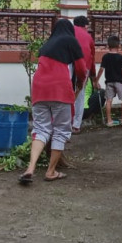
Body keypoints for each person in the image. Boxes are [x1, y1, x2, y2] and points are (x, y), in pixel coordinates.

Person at [19, 19, 87, 184]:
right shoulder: (70, 40)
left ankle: (30, 168)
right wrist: (80, 83)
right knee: (61, 131)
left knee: (40, 129)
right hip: (59, 89)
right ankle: (50, 171)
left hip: (39, 89)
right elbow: (81, 68)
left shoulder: (46, 45)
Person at [71, 15, 97, 134]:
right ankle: (76, 125)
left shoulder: (69, 32)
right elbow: (92, 57)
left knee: (66, 94)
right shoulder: (88, 37)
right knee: (80, 96)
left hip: (68, 65)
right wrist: (93, 75)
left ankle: (64, 124)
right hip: (84, 67)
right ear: (86, 26)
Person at [97, 35, 122, 127]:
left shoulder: (105, 57)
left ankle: (109, 121)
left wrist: (96, 80)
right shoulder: (121, 57)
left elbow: (101, 69)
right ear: (118, 45)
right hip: (120, 82)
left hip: (109, 82)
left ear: (108, 45)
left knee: (109, 100)